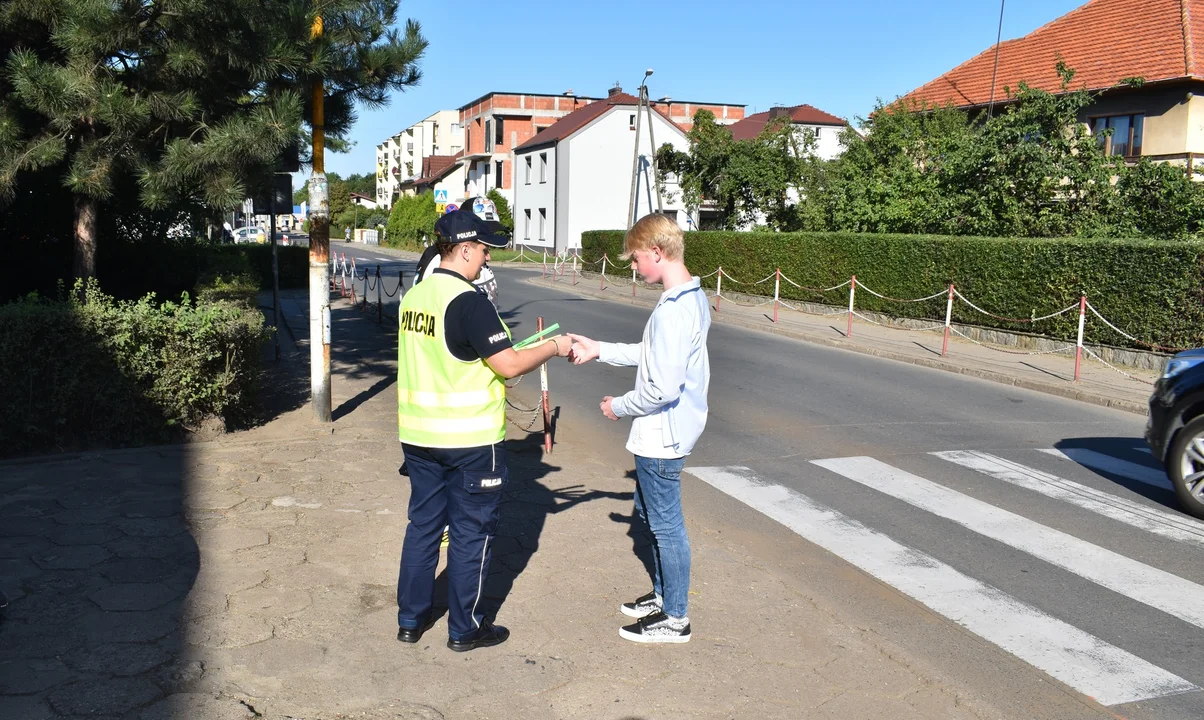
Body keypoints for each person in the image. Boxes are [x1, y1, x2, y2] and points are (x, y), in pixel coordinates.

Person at [395, 208, 572, 652]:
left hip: (419, 438)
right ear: (465, 248)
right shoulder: (470, 301)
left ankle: (410, 621)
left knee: (423, 528)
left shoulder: (415, 297)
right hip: (470, 441)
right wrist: (554, 345)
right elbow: (508, 366)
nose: (487, 260)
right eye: (485, 251)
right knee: (472, 533)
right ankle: (465, 629)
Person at [567, 214, 711, 644]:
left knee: (666, 527)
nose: (632, 267)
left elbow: (661, 387)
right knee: (650, 515)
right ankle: (666, 596)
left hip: (663, 435)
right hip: (668, 431)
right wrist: (600, 350)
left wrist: (619, 406)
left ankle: (676, 618)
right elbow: (653, 356)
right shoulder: (688, 297)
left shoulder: (673, 310)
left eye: (634, 260)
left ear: (656, 253)